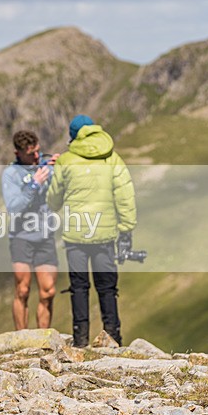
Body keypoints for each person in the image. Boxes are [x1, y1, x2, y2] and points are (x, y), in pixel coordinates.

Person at [46, 115, 136, 347]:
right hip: (105, 234)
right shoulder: (112, 157)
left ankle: (80, 339)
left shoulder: (65, 161)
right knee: (107, 287)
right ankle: (113, 338)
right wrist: (126, 229)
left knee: (79, 287)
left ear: (73, 136)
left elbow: (54, 200)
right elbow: (125, 195)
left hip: (76, 235)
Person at [1, 131, 59, 330]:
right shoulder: (11, 174)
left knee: (48, 291)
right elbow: (13, 207)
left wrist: (60, 166)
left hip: (45, 235)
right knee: (23, 290)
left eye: (37, 151)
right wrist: (34, 184)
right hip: (21, 237)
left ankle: (43, 339)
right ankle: (21, 338)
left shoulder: (44, 165)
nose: (36, 157)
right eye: (30, 154)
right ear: (18, 153)